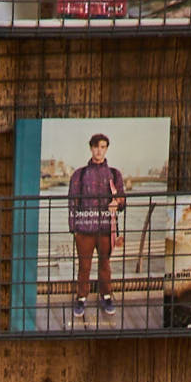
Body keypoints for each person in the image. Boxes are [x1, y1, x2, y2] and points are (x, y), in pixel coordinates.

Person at [67, 132, 125, 319]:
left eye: (103, 147)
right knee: (84, 266)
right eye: (96, 147)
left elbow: (122, 199)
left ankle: (106, 296)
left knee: (105, 264)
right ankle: (81, 299)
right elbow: (72, 203)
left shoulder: (115, 174)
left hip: (106, 229)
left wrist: (118, 202)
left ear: (106, 149)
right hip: (84, 230)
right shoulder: (79, 174)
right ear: (90, 148)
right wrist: (73, 229)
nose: (99, 151)